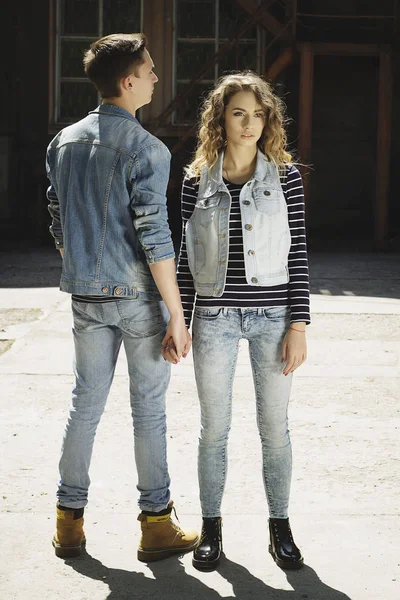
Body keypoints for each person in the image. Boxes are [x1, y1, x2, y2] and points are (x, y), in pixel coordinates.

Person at [46, 33, 198, 561]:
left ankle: (69, 521)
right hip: (136, 298)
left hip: (85, 294)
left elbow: (57, 217)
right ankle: (156, 523)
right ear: (128, 81)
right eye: (150, 70)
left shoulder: (63, 142)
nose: (157, 78)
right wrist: (177, 316)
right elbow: (156, 238)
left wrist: (79, 264)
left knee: (84, 404)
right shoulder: (147, 149)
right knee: (149, 410)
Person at [176, 72, 310, 571]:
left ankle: (281, 529)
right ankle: (210, 531)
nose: (249, 123)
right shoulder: (196, 180)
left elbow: (298, 253)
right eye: (238, 112)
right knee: (214, 429)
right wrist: (180, 322)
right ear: (221, 118)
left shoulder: (287, 178)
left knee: (275, 428)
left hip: (274, 318)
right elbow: (186, 257)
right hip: (213, 319)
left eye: (258, 113)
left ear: (267, 119)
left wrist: (299, 325)